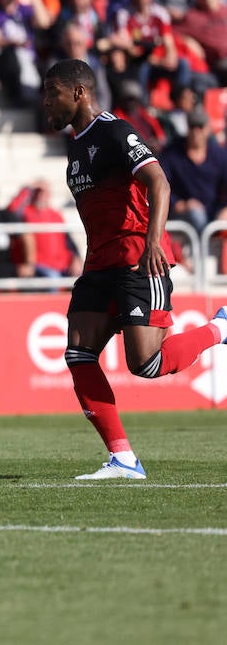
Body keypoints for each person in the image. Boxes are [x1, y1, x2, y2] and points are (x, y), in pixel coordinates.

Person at [41, 59, 227, 479]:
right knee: (77, 352)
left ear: (79, 92)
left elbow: (158, 183)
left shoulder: (115, 131)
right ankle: (123, 458)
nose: (45, 101)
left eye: (52, 91)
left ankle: (219, 328)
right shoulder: (76, 145)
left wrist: (152, 242)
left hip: (136, 258)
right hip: (99, 263)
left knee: (145, 364)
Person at [158, 107, 227, 235]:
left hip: (213, 211)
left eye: (200, 127)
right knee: (197, 216)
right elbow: (160, 182)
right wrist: (180, 204)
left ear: (207, 129)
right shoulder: (172, 153)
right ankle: (202, 254)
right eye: (192, 126)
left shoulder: (219, 155)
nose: (196, 131)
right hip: (183, 215)